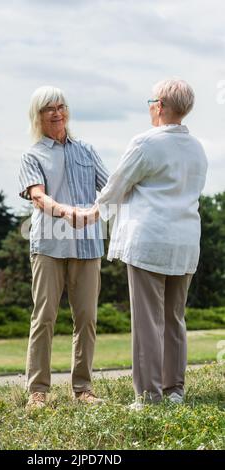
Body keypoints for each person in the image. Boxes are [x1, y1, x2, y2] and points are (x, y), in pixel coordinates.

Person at [92, 79, 207, 410]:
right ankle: (174, 391)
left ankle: (148, 396)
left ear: (159, 105)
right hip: (184, 242)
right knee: (174, 318)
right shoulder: (197, 148)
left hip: (150, 241)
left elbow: (116, 186)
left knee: (147, 322)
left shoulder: (145, 143)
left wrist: (93, 211)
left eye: (150, 101)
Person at [19, 85, 109, 409]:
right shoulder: (33, 155)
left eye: (61, 106)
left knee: (86, 318)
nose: (57, 113)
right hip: (49, 246)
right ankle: (38, 391)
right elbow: (38, 197)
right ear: (38, 116)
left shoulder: (86, 150)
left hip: (88, 246)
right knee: (44, 317)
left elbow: (109, 189)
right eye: (49, 109)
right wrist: (70, 213)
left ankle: (83, 389)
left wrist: (94, 212)